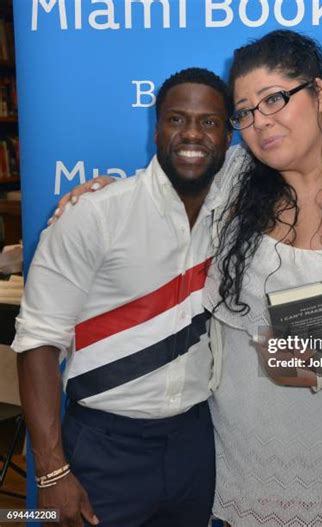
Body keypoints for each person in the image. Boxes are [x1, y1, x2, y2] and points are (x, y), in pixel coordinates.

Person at [52, 31, 322, 527]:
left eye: (275, 99)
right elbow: (156, 200)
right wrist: (97, 196)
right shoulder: (233, 176)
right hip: (241, 464)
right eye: (244, 112)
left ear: (320, 94)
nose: (260, 122)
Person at [12, 67, 236, 527]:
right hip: (104, 446)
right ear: (156, 129)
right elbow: (37, 341)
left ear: (229, 135)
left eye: (209, 122)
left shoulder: (234, 217)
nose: (192, 133)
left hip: (195, 441)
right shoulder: (94, 216)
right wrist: (52, 472)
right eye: (177, 119)